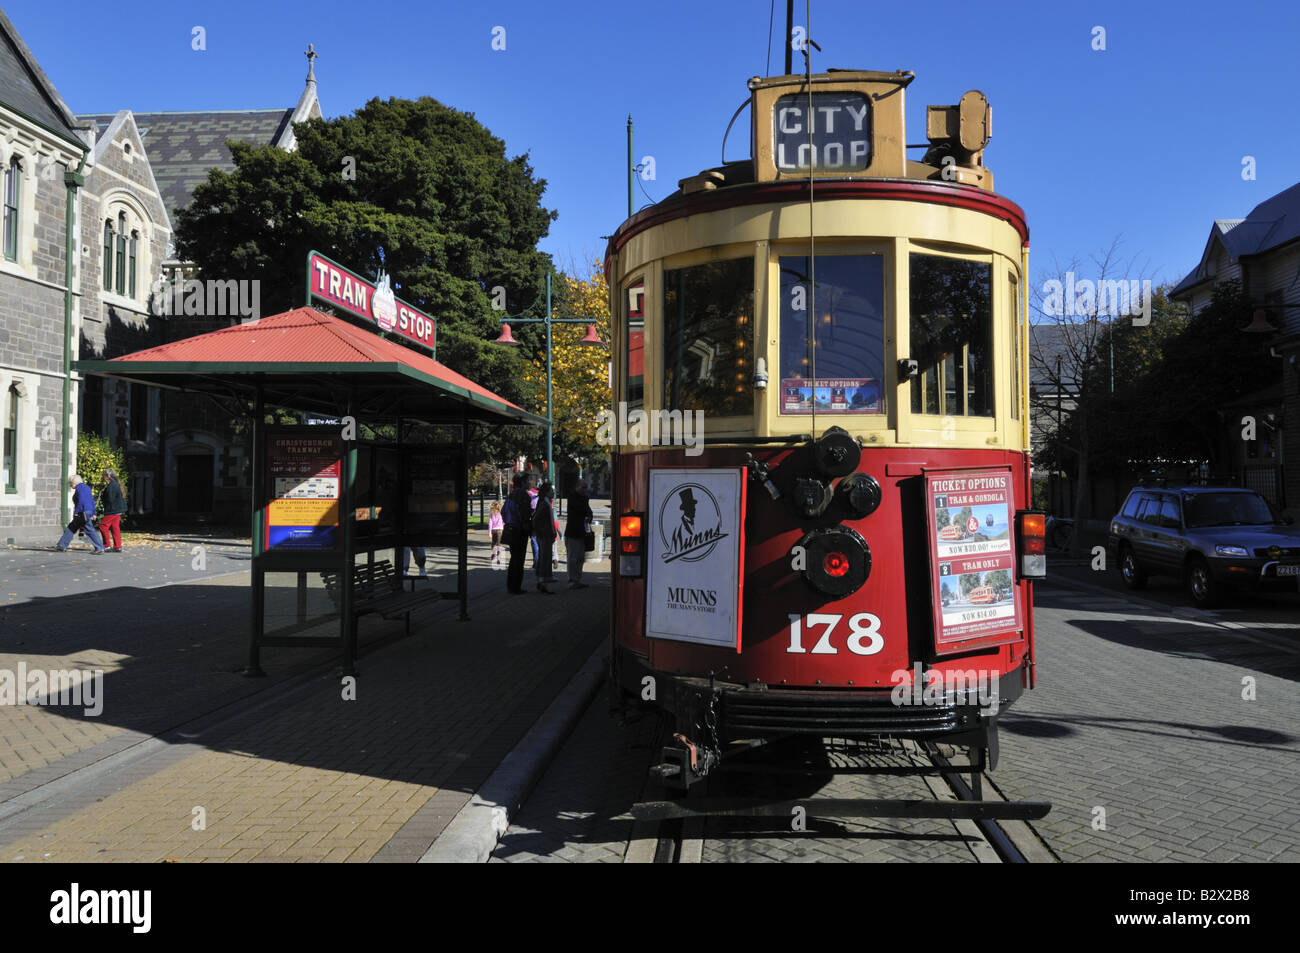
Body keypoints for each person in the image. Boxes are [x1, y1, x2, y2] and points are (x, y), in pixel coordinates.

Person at [56, 475, 106, 554]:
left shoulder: (79, 488)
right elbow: (92, 501)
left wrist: (76, 512)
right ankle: (61, 545)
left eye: (71, 483)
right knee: (73, 527)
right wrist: (93, 513)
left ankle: (99, 547)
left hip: (83, 511)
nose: (70, 485)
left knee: (88, 529)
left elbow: (81, 501)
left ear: (74, 482)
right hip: (88, 511)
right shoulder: (87, 488)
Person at [504, 473, 534, 594]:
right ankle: (516, 587)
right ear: (522, 482)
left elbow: (503, 511)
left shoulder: (511, 494)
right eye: (527, 481)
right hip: (520, 530)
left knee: (514, 558)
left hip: (511, 529)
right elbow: (525, 514)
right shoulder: (523, 495)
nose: (529, 483)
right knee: (519, 559)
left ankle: (511, 586)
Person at [564, 480, 593, 588]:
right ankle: (572, 580)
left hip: (582, 532)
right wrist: (586, 507)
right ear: (577, 487)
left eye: (586, 488)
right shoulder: (572, 497)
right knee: (573, 557)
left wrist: (589, 516)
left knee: (581, 557)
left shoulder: (584, 498)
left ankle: (578, 579)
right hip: (572, 532)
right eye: (583, 487)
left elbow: (589, 511)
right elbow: (580, 508)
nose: (585, 490)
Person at [532, 481, 557, 594]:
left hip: (546, 533)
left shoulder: (546, 502)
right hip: (544, 534)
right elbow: (536, 519)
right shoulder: (544, 503)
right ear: (546, 492)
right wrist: (542, 531)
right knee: (544, 557)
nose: (553, 492)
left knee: (546, 557)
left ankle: (545, 579)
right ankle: (542, 581)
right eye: (551, 490)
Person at [97, 468, 127, 552]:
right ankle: (118, 546)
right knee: (115, 527)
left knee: (103, 526)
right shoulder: (116, 484)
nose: (103, 478)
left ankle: (107, 545)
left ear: (107, 477)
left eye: (103, 476)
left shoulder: (111, 486)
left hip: (112, 510)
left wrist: (103, 497)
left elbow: (110, 499)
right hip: (118, 510)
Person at [488, 501, 505, 567]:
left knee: (493, 543)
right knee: (499, 544)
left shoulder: (491, 514)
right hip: (500, 530)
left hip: (493, 530)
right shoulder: (501, 513)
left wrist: (489, 533)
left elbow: (490, 523)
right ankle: (499, 557)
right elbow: (504, 522)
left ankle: (494, 553)